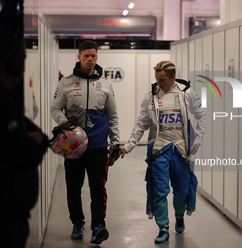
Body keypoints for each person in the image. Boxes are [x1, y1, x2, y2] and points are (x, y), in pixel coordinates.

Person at [119, 60, 207, 243]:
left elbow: (202, 116)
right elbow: (141, 123)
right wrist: (128, 146)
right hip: (159, 150)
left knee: (181, 191)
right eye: (157, 79)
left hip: (181, 151)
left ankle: (180, 215)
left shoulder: (186, 94)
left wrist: (197, 141)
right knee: (159, 190)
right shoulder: (151, 96)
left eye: (163, 80)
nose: (159, 83)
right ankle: (163, 227)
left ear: (173, 77)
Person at [51, 40, 120, 244]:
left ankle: (98, 226)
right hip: (73, 148)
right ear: (79, 57)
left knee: (98, 188)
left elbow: (112, 114)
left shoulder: (106, 83)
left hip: (98, 147)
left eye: (93, 56)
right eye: (86, 56)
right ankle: (77, 223)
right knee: (73, 188)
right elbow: (55, 108)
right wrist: (67, 126)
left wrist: (115, 141)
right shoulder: (66, 83)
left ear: (97, 57)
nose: (90, 59)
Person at [0, 35, 49, 247]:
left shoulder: (9, 101)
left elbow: (40, 138)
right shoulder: (3, 104)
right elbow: (28, 152)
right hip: (6, 217)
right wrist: (32, 141)